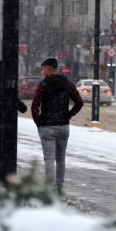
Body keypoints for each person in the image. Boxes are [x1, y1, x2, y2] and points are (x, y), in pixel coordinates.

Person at [31, 57, 84, 195]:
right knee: (60, 158)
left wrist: (39, 122)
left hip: (47, 126)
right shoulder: (67, 84)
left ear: (48, 68)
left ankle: (50, 189)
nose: (42, 72)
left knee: (49, 159)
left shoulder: (43, 84)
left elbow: (35, 106)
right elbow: (79, 102)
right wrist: (68, 115)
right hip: (63, 126)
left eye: (43, 68)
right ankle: (59, 188)